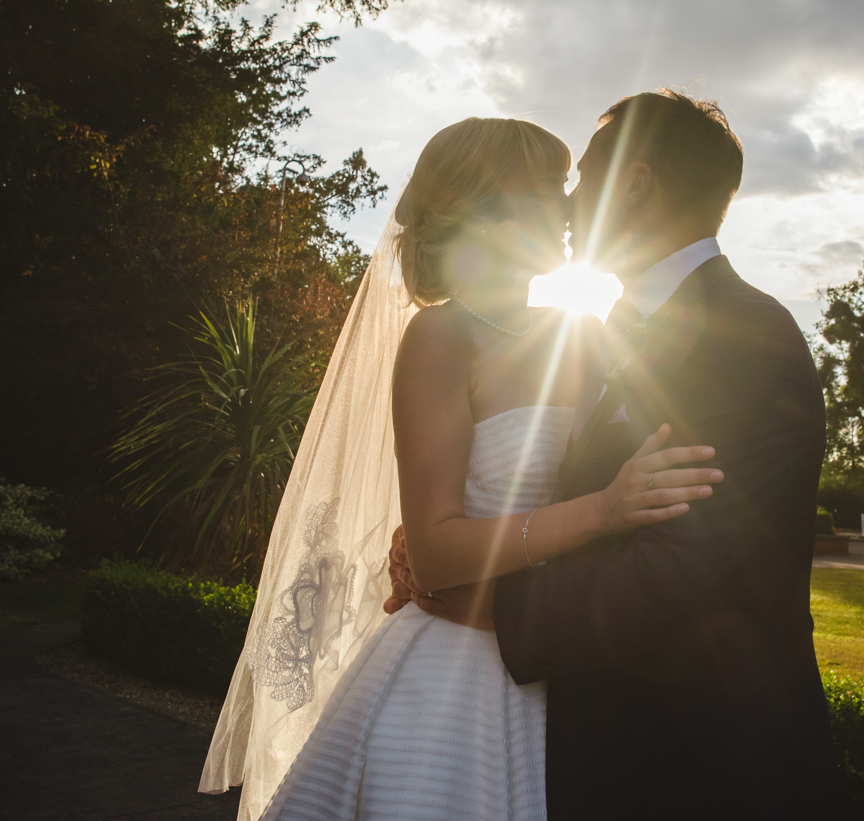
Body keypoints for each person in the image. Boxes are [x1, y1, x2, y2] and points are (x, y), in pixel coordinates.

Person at [201, 116, 720, 820]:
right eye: (544, 186)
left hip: (561, 676)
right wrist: (602, 510)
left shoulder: (594, 336)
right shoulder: (442, 339)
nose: (568, 206)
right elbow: (440, 549)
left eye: (564, 183)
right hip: (452, 681)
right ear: (484, 210)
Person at [392, 91, 839, 819]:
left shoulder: (745, 339)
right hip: (586, 743)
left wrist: (470, 598)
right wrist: (448, 539)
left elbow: (679, 572)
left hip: (699, 769)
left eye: (579, 180)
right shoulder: (612, 331)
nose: (567, 205)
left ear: (633, 184)